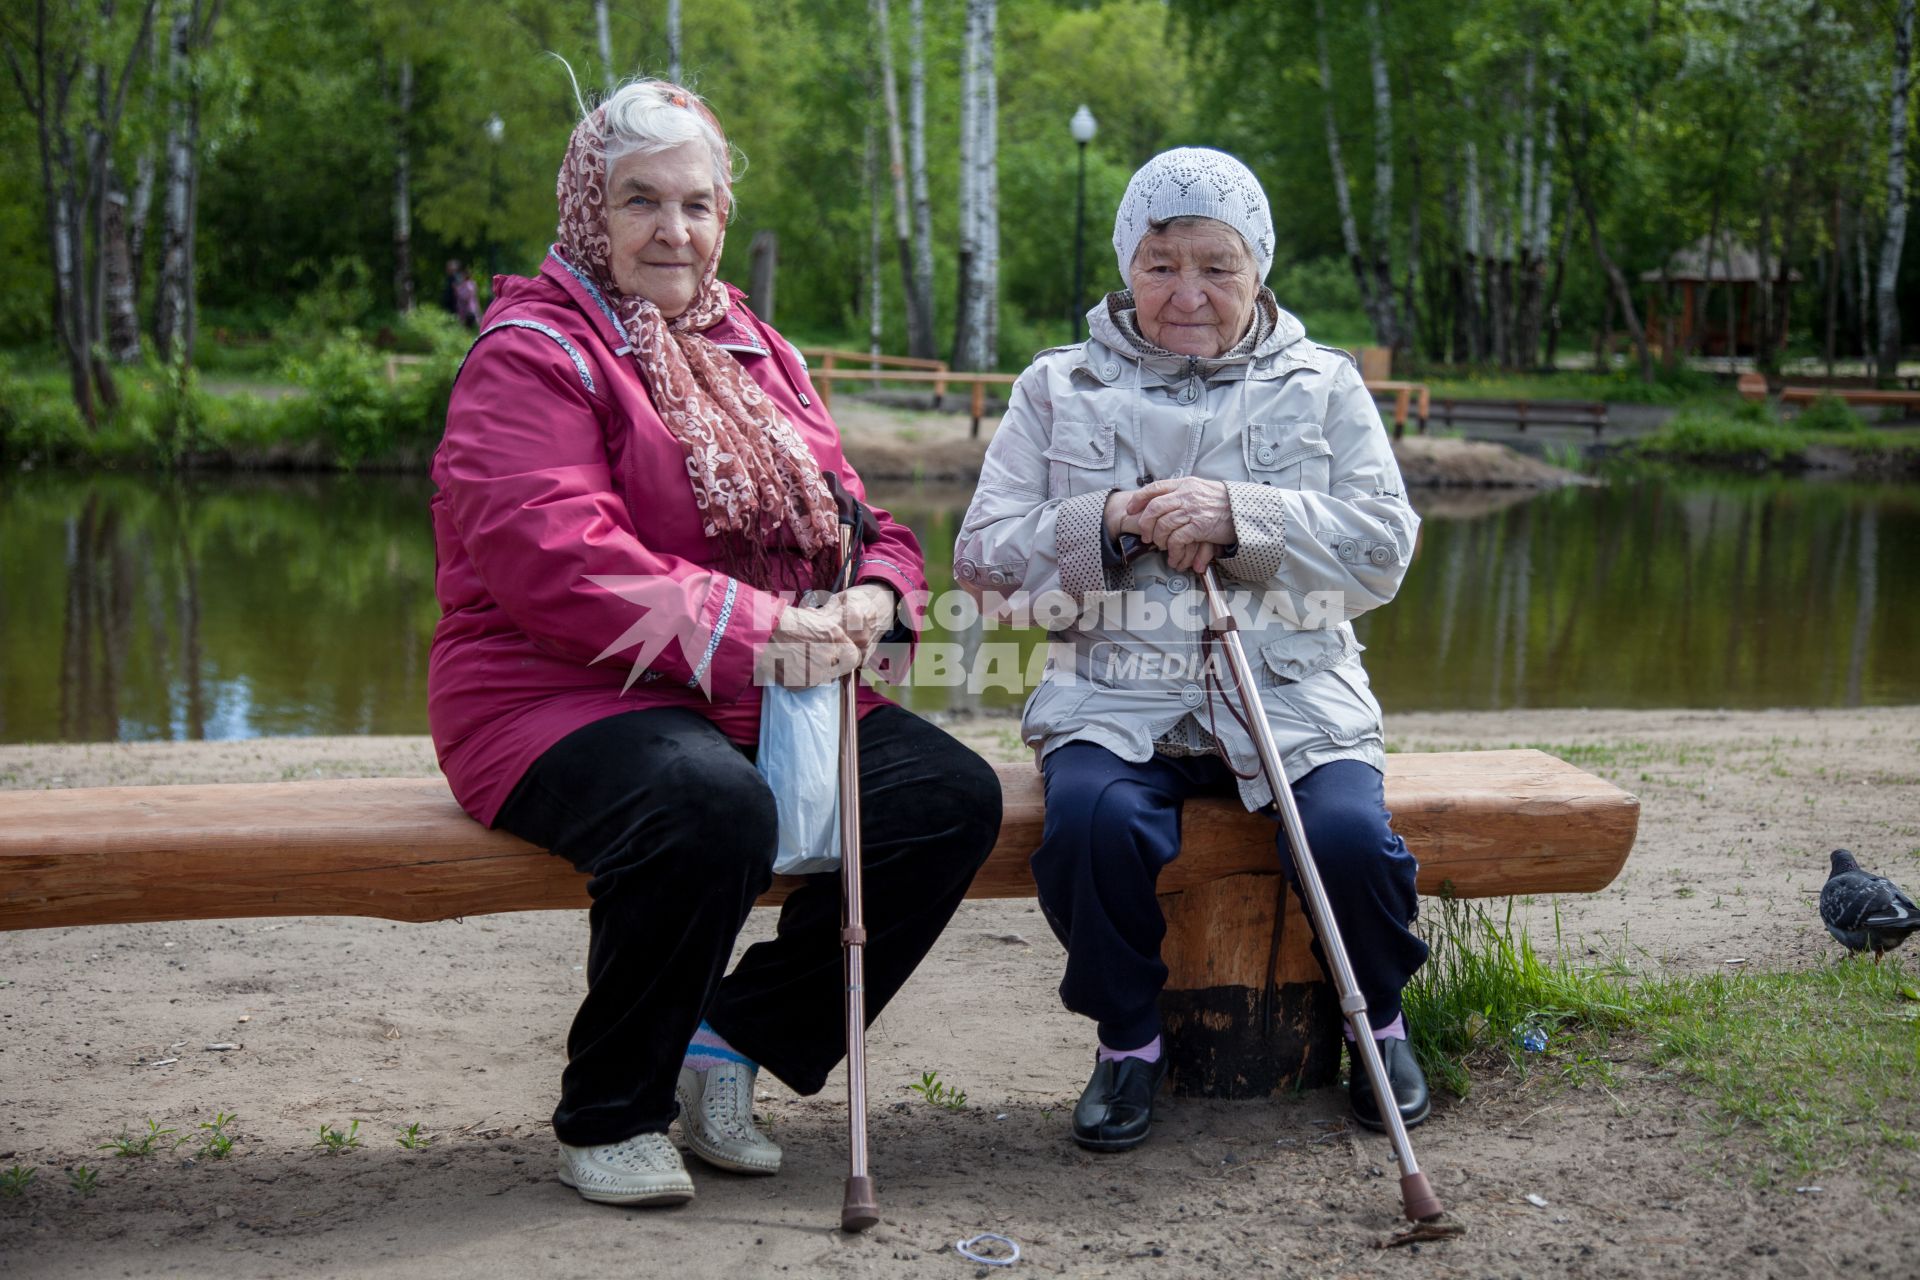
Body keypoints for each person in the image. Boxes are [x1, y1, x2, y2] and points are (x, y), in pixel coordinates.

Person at [429, 80, 1001, 1207]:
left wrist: (877, 595)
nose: (672, 230)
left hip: (753, 685)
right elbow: (554, 554)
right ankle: (609, 1112)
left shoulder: (752, 347)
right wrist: (761, 626)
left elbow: (858, 519)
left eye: (696, 203)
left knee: (947, 799)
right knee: (705, 806)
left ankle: (726, 1042)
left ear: (723, 215)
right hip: (553, 688)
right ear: (590, 207)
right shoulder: (535, 349)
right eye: (640, 200)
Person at [955, 147, 1428, 1153]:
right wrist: (1111, 519)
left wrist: (1243, 515)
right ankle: (1128, 1037)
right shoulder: (1057, 387)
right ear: (1128, 265)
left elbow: (1384, 551)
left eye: (1217, 265)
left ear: (1259, 269)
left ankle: (1376, 1015)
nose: (1188, 292)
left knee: (1347, 839)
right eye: (1161, 264)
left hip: (1292, 690)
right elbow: (986, 564)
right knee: (1086, 826)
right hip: (1114, 695)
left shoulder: (1323, 384)